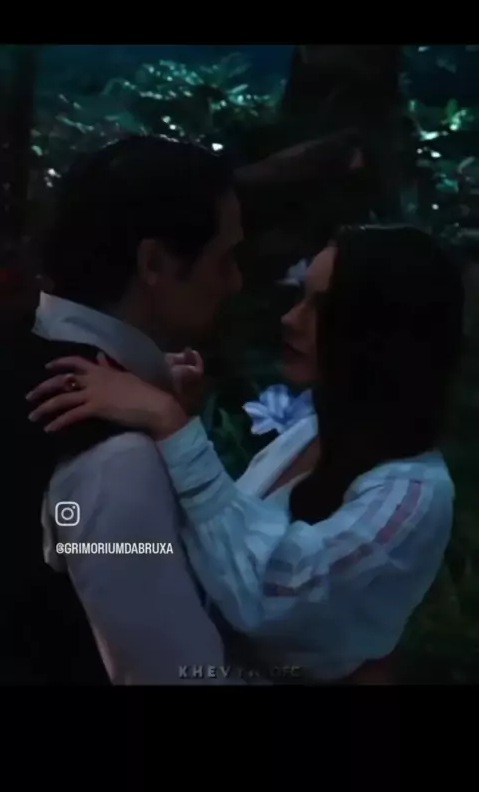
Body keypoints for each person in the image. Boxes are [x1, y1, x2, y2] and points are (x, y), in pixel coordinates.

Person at [27, 225, 465, 684]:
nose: (290, 318)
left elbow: (269, 595)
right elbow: (225, 556)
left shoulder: (415, 495)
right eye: (300, 297)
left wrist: (172, 423)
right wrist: (177, 418)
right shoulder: (313, 433)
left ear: (385, 335)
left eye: (322, 306)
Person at [11, 135, 245, 685]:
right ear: (154, 263)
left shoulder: (18, 352)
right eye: (224, 259)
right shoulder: (116, 457)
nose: (236, 283)